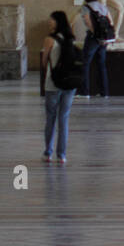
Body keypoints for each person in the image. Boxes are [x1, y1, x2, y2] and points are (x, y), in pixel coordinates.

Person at [40, 11, 79, 164]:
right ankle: (61, 155)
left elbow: (43, 62)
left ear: (57, 22)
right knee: (64, 119)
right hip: (69, 83)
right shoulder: (71, 38)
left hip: (53, 83)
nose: (49, 21)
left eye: (52, 19)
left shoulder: (49, 39)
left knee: (50, 118)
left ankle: (47, 152)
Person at [74, 0, 113, 98]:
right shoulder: (102, 6)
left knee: (85, 64)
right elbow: (110, 22)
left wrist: (96, 35)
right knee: (101, 64)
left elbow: (88, 22)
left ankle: (84, 92)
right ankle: (104, 92)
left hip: (93, 38)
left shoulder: (86, 8)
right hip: (104, 39)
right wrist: (105, 37)